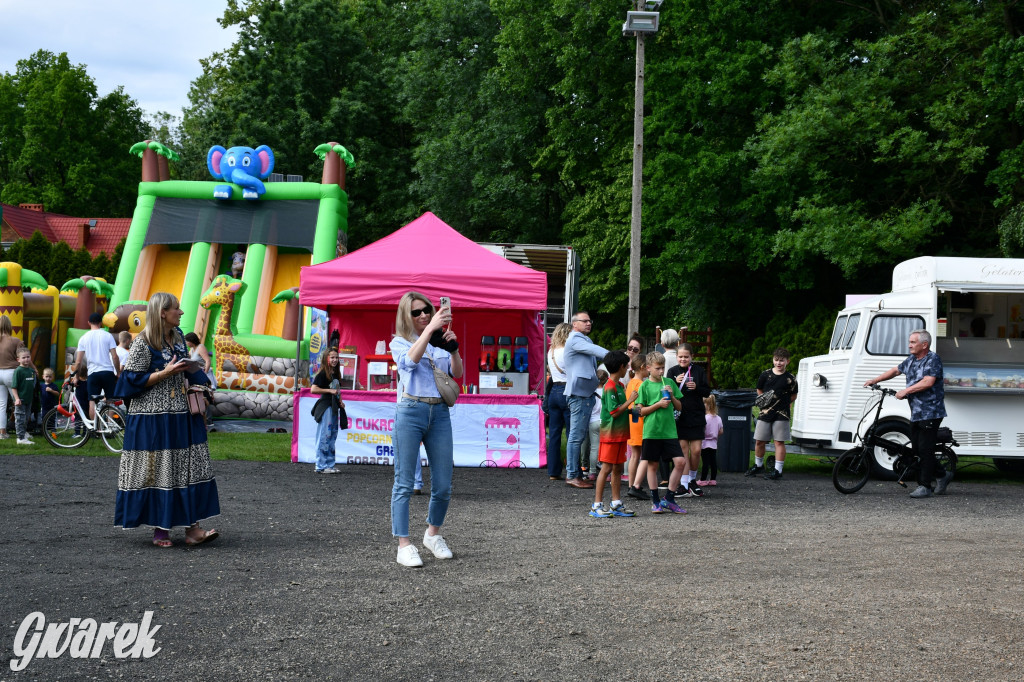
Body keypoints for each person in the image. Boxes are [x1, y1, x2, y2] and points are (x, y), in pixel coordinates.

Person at [113, 293, 219, 548]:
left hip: (180, 412)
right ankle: (161, 531)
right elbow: (130, 381)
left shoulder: (179, 337)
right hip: (152, 417)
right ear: (162, 312)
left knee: (187, 466)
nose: (181, 313)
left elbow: (186, 370)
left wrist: (199, 384)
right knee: (161, 469)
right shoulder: (143, 342)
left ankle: (193, 529)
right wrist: (165, 372)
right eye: (177, 309)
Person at [389, 292, 463, 568]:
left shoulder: (438, 341)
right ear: (406, 316)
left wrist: (453, 348)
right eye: (416, 312)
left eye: (427, 311)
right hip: (410, 410)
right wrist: (431, 330)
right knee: (405, 482)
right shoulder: (398, 342)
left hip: (439, 412)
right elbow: (409, 362)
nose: (423, 316)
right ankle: (404, 544)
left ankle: (433, 534)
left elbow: (458, 372)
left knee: (443, 483)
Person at [864, 329, 953, 498]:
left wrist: (906, 391)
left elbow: (928, 381)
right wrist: (874, 380)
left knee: (925, 450)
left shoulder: (932, 359)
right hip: (917, 412)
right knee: (918, 449)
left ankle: (925, 486)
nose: (909, 345)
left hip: (931, 412)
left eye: (913, 342)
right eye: (910, 341)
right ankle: (942, 474)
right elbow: (895, 370)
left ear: (924, 345)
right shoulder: (912, 359)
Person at [635, 351, 687, 514]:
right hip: (651, 431)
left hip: (669, 431)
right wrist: (657, 405)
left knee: (680, 462)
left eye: (663, 368)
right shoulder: (644, 385)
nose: (661, 371)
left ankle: (669, 499)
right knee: (653, 465)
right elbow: (639, 412)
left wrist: (671, 396)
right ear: (648, 368)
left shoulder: (669, 382)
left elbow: (679, 407)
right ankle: (655, 501)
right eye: (658, 368)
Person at [562, 312, 608, 489]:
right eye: (585, 321)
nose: (589, 323)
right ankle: (573, 475)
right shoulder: (575, 339)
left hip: (584, 395)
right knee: (576, 437)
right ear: (575, 324)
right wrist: (612, 356)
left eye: (590, 320)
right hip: (579, 395)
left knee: (578, 436)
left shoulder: (582, 340)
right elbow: (595, 351)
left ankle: (577, 474)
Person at [589, 351, 637, 518]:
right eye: (627, 366)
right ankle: (596, 505)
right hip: (610, 435)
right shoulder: (609, 387)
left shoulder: (619, 386)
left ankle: (616, 503)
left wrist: (632, 410)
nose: (628, 369)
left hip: (620, 434)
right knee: (606, 468)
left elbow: (621, 409)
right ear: (621, 367)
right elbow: (614, 412)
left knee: (617, 468)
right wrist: (630, 401)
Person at [747, 348, 799, 480]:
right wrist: (765, 401)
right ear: (773, 360)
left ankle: (777, 470)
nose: (779, 363)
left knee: (779, 442)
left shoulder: (791, 378)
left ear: (787, 361)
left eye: (782, 360)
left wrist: (785, 403)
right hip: (765, 412)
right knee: (759, 440)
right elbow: (759, 389)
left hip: (782, 414)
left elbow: (794, 395)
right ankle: (758, 465)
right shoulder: (765, 375)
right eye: (776, 360)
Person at [667, 343, 712, 497]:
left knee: (697, 450)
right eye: (680, 356)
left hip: (697, 414)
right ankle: (684, 484)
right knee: (683, 449)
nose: (683, 359)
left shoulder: (699, 370)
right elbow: (666, 391)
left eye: (686, 356)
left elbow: (707, 391)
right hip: (680, 416)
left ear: (692, 357)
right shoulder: (672, 372)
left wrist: (697, 387)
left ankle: (693, 480)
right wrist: (676, 383)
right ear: (676, 357)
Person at [70, 312, 121, 419]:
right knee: (110, 400)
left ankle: (95, 428)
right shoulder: (108, 336)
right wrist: (118, 372)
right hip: (108, 372)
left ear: (89, 323)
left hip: (93, 373)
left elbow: (78, 362)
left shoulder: (83, 338)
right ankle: (110, 427)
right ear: (101, 323)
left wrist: (77, 377)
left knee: (92, 401)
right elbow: (115, 357)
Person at [310, 347, 345, 473]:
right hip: (326, 406)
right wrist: (329, 391)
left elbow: (337, 388)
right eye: (332, 357)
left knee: (332, 435)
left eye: (336, 357)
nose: (335, 360)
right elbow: (313, 389)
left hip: (334, 406)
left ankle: (329, 464)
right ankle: (320, 465)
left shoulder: (335, 373)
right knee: (324, 435)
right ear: (327, 358)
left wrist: (340, 400)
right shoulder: (323, 373)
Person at [546, 323, 572, 481]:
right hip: (567, 390)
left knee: (555, 433)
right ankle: (571, 469)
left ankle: (553, 471)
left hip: (553, 391)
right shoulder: (568, 352)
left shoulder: (551, 351)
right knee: (571, 433)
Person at [625, 355, 650, 500]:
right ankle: (636, 485)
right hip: (640, 421)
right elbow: (641, 406)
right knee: (643, 455)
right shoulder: (641, 384)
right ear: (642, 367)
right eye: (647, 366)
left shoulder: (630, 383)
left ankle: (631, 484)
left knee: (634, 455)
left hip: (632, 421)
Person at [0, 315, 25, 439]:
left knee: (1, 404)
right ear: (10, 326)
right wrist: (34, 369)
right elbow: (24, 358)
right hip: (11, 373)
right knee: (18, 401)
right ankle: (22, 431)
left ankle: (2, 432)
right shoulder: (16, 341)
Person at [10, 348, 37, 445]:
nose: (26, 359)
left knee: (26, 418)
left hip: (28, 400)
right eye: (23, 357)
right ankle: (20, 438)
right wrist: (17, 399)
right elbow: (14, 387)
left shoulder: (30, 370)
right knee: (20, 418)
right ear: (18, 360)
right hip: (20, 400)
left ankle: (24, 434)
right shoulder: (18, 371)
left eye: (28, 357)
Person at [697, 395, 723, 486]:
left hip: (705, 443)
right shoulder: (718, 418)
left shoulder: (704, 418)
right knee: (713, 462)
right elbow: (721, 431)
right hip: (714, 443)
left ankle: (703, 480)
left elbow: (702, 430)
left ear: (707, 405)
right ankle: (713, 480)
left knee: (705, 462)